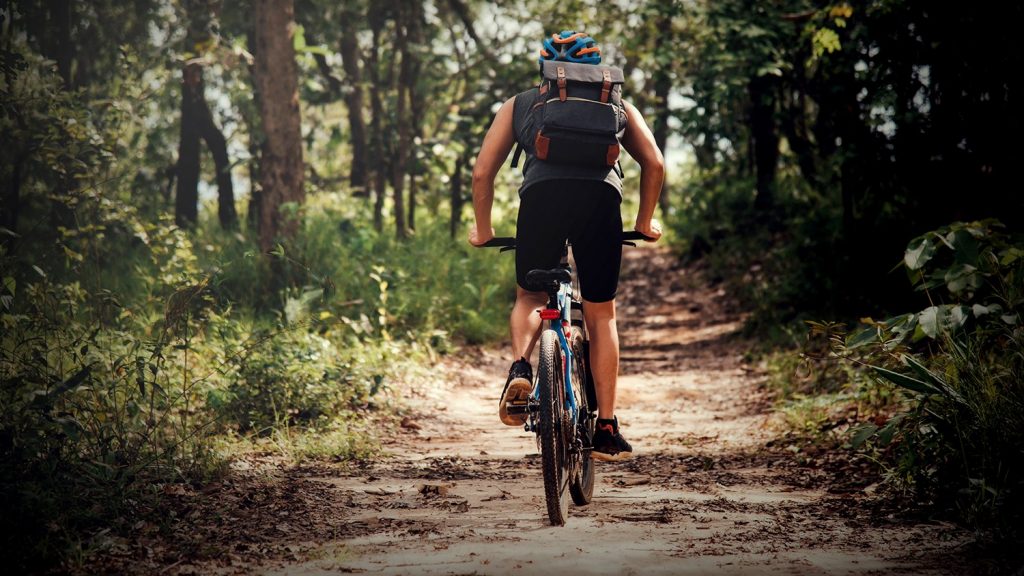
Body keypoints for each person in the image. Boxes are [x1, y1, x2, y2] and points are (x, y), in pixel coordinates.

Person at [468, 30, 665, 462]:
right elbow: (654, 162)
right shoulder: (616, 104)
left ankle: (521, 366)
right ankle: (608, 427)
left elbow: (484, 172)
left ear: (545, 69)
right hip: (600, 203)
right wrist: (644, 222)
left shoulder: (520, 105)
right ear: (596, 69)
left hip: (542, 199)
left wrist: (482, 230)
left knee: (529, 295)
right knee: (600, 310)